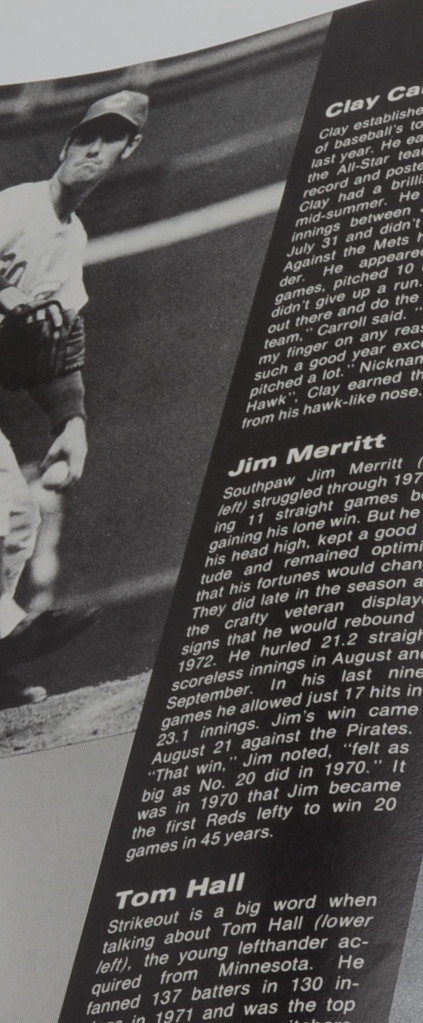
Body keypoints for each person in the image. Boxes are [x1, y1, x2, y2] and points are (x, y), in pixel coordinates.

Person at [0, 90, 146, 705]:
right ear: (65, 144)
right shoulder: (16, 209)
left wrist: (73, 421)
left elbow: (66, 338)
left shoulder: (71, 239)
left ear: (127, 151)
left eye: (110, 140)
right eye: (87, 135)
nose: (94, 148)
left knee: (15, 517)